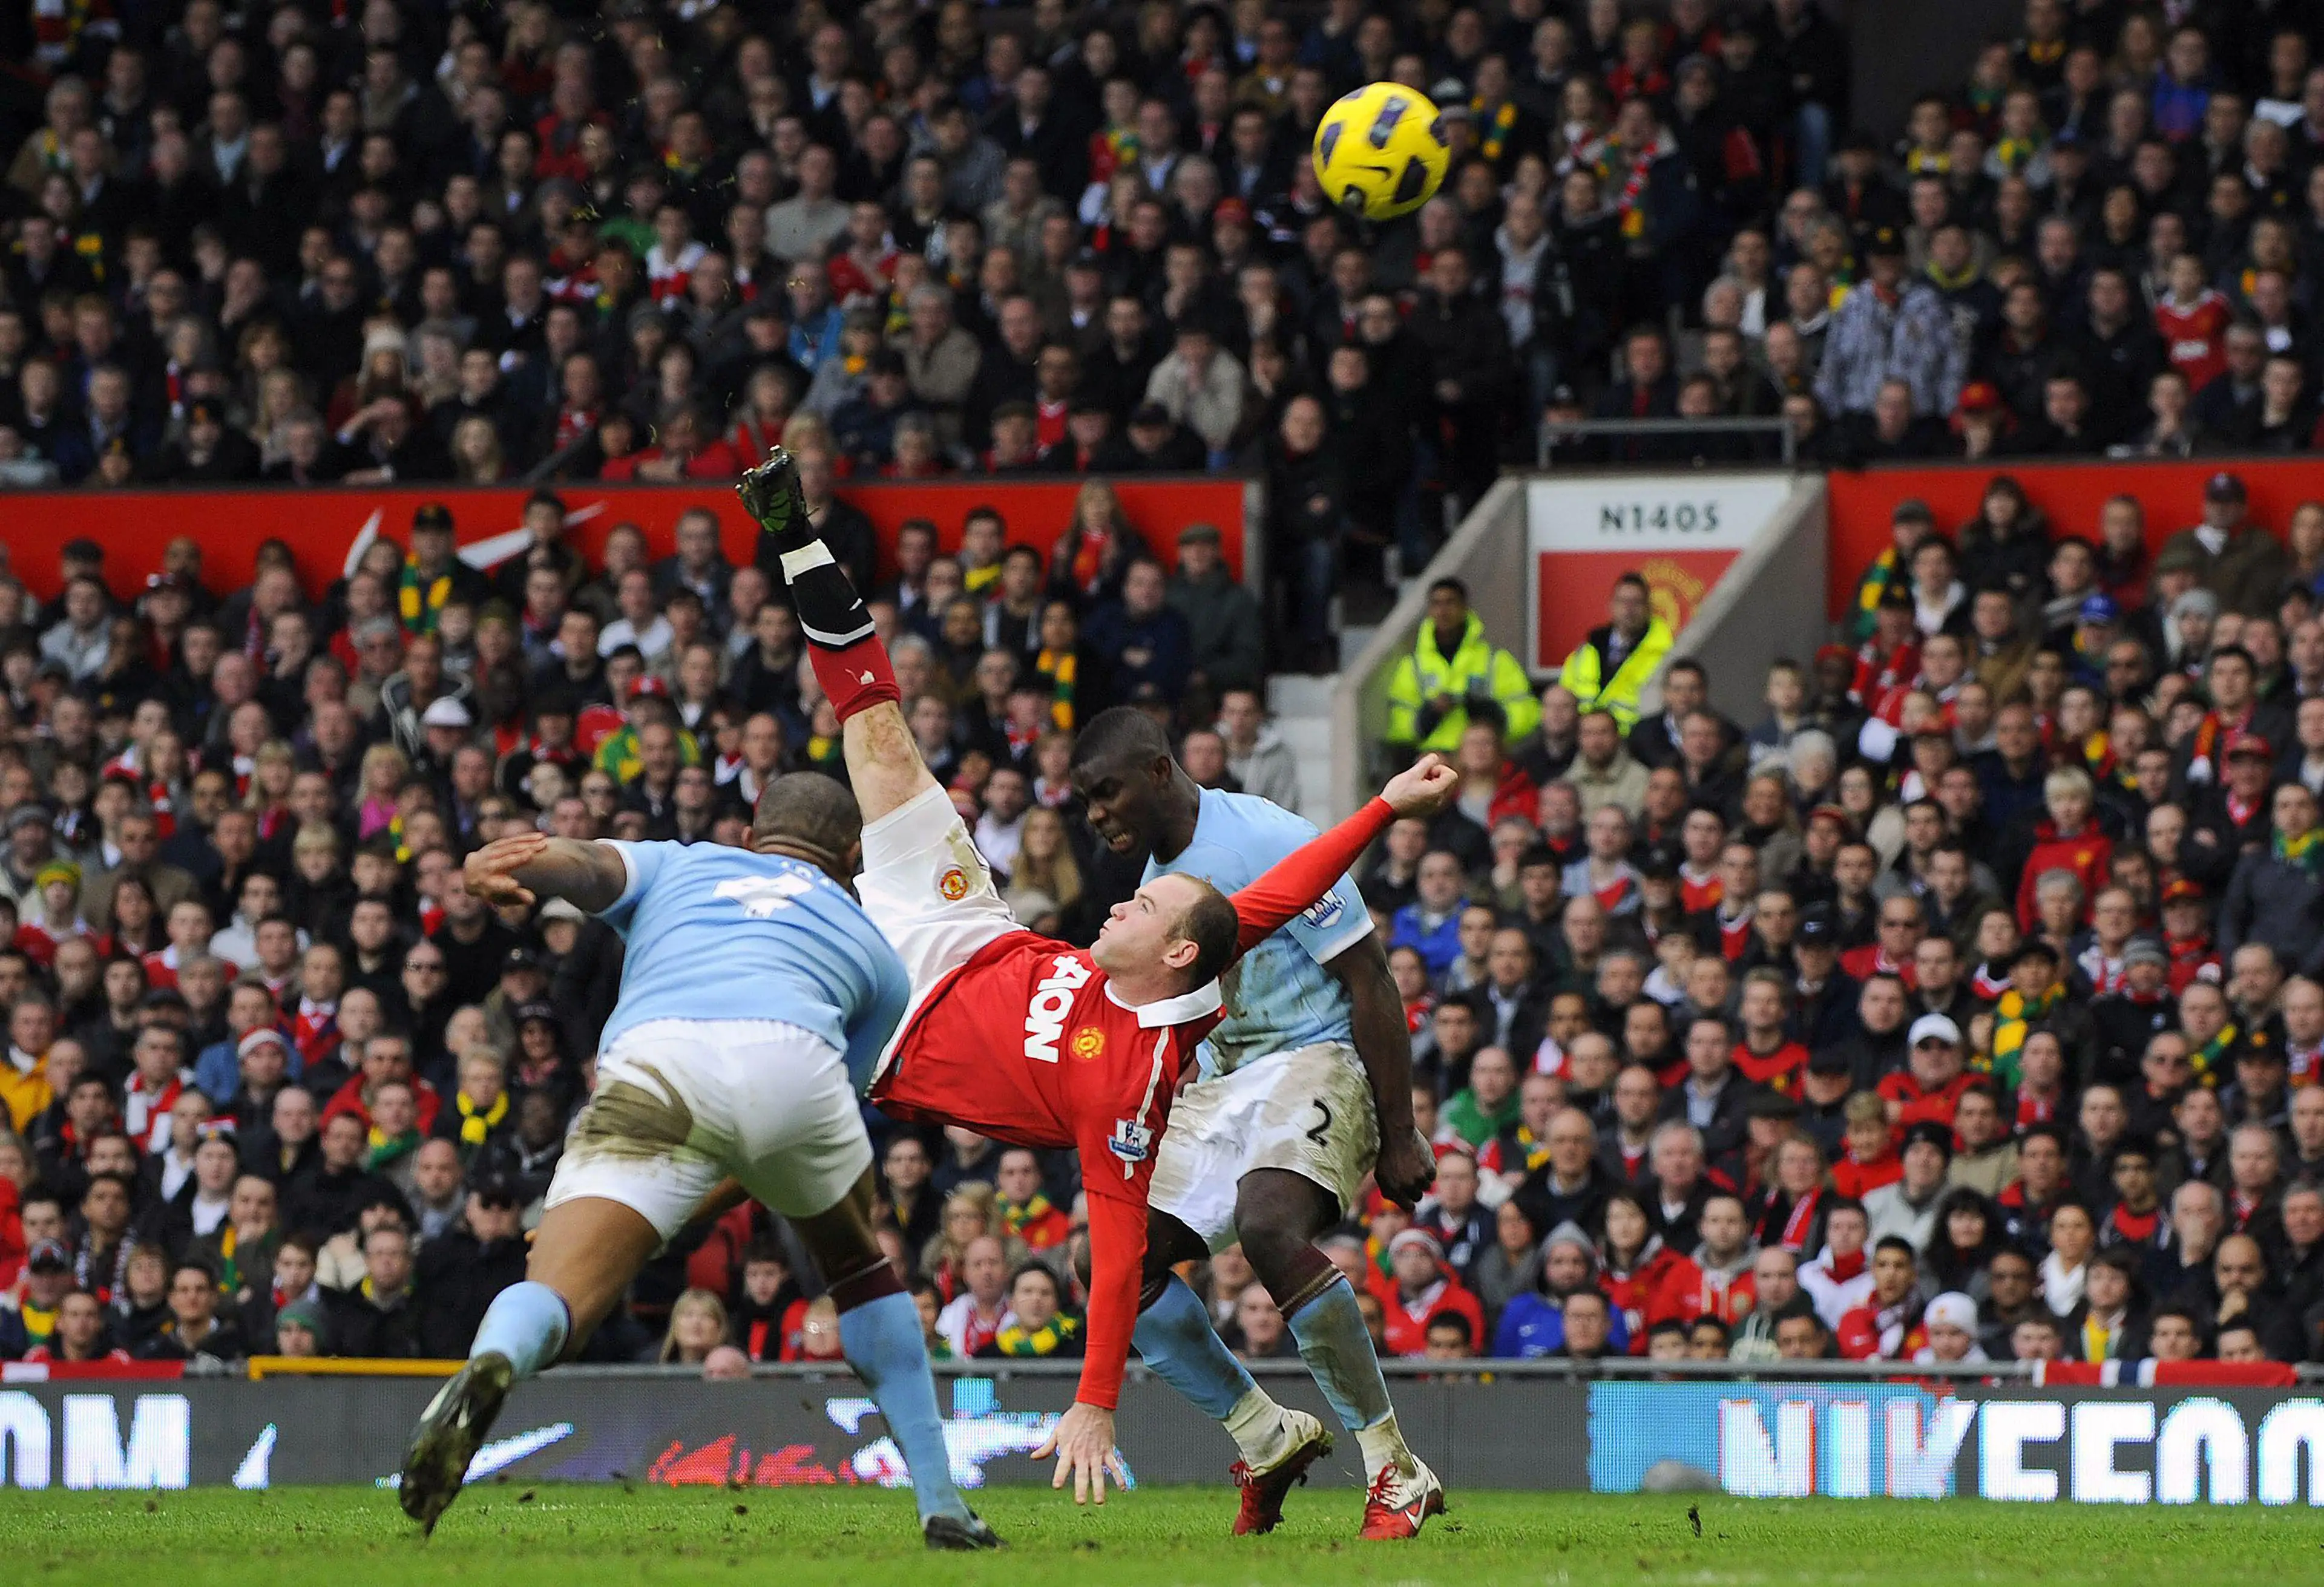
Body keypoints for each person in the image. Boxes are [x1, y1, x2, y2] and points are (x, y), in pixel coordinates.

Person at [738, 451, 1459, 1519]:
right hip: (964, 930)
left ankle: (1395, 1462)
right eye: (1142, 899)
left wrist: (1093, 1401)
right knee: (878, 727)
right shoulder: (1122, 947)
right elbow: (1269, 899)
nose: (1122, 900)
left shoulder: (1119, 1081)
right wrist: (1387, 806)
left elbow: (1312, 930)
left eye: (1151, 910)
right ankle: (1265, 1432)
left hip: (898, 1027)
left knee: (1246, 1228)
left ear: (1178, 956)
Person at [395, 771, 993, 1548]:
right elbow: (773, 1148)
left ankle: (493, 1361)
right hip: (794, 1059)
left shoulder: (684, 863)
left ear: (750, 835)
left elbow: (586, 865)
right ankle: (943, 1501)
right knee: (861, 1269)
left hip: (657, 1057)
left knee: (558, 1292)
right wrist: (690, 1211)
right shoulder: (879, 958)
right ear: (853, 857)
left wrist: (499, 865)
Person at [1067, 680, 1443, 1536]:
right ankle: (1264, 1433)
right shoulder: (1160, 881)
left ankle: (1393, 1465)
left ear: (1160, 771)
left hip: (1321, 1055)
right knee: (1111, 1259)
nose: (1095, 813)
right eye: (1086, 799)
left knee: (1270, 1224)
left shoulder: (1264, 836)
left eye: (1107, 792)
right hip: (1230, 1077)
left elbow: (1369, 977)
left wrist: (1401, 1126)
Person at [1385, 579, 1541, 761]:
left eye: (1450, 603)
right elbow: (1398, 724)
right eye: (1437, 604)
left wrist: (1486, 711)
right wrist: (1431, 712)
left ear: (1465, 608)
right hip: (1432, 759)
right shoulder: (1412, 665)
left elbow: (1526, 714)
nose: (1443, 611)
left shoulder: (1495, 660)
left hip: (1483, 760)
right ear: (1429, 611)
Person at [1557, 572, 1676, 733]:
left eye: (1636, 602)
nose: (1629, 608)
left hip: (1636, 744)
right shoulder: (1584, 653)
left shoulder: (1666, 655)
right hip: (1585, 741)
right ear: (1611, 606)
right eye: (1623, 601)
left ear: (1649, 609)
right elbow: (1563, 700)